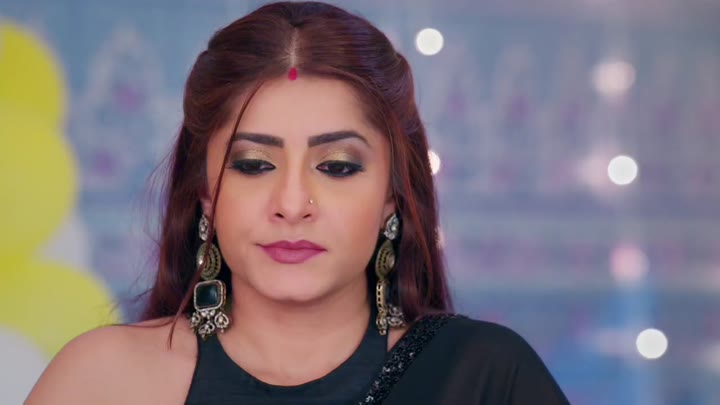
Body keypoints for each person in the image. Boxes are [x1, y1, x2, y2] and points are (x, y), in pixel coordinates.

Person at [27, 2, 570, 404]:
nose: (292, 204)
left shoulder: (483, 377)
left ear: (392, 194)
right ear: (205, 192)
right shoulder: (104, 381)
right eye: (253, 164)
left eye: (337, 167)